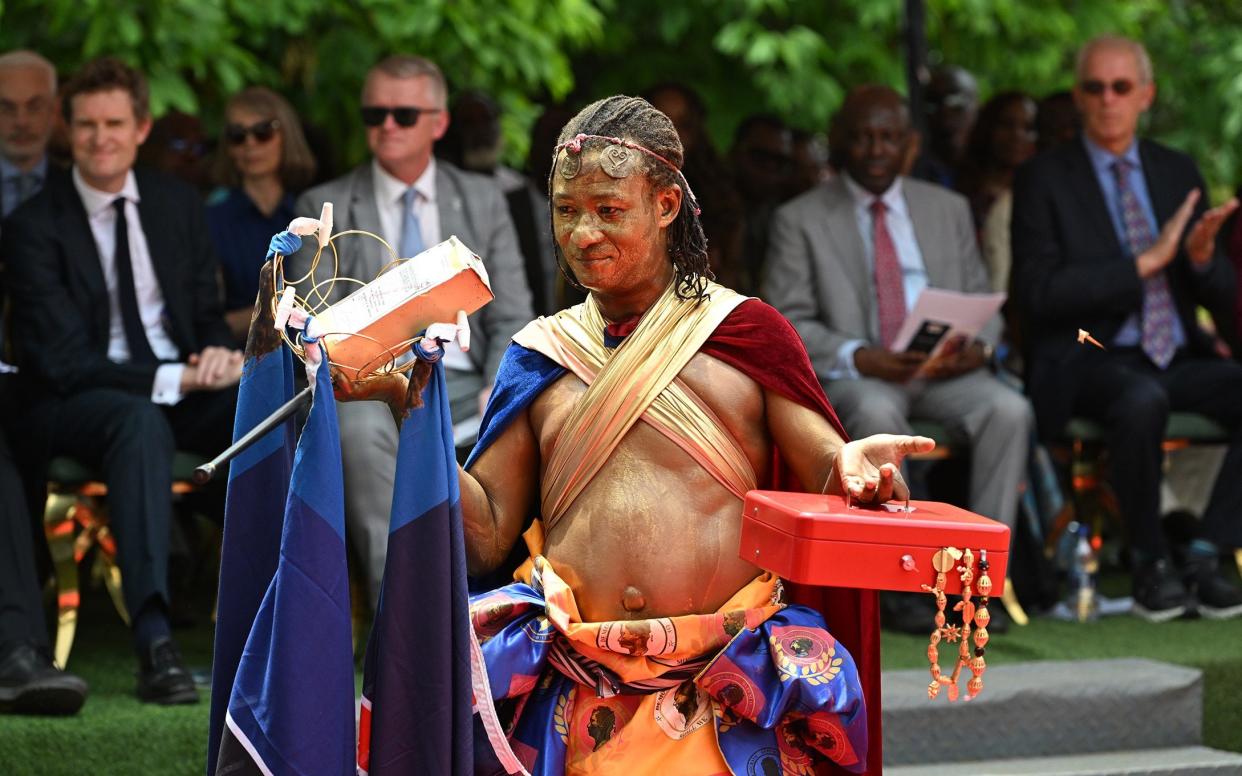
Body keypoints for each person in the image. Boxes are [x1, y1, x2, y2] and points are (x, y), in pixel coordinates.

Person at [453, 95, 933, 775]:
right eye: (567, 211)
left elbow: (828, 468)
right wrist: (411, 419)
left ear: (667, 206)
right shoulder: (539, 355)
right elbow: (487, 535)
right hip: (578, 687)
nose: (584, 233)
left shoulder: (746, 335)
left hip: (720, 691)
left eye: (609, 211)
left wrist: (854, 463)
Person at [2, 57, 241, 703]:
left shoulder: (176, 206)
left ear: (140, 128)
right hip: (75, 401)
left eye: (114, 123)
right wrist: (177, 378)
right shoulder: (31, 227)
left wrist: (221, 355)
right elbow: (61, 361)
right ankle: (156, 644)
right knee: (135, 421)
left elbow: (201, 317)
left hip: (180, 387)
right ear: (66, 130)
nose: (100, 138)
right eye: (86, 125)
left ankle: (277, 614)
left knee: (272, 402)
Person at [764, 85, 1033, 632]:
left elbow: (986, 304)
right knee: (878, 415)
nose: (876, 148)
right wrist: (860, 355)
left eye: (888, 137)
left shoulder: (947, 209)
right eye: (863, 137)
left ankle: (977, 586)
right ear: (841, 143)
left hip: (942, 372)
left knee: (1010, 411)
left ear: (910, 145)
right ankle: (902, 586)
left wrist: (974, 348)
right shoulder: (801, 218)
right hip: (863, 376)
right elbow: (784, 322)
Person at [287, 55, 533, 607]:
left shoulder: (486, 199)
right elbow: (318, 334)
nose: (388, 126)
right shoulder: (321, 205)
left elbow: (515, 311)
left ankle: (504, 612)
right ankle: (401, 618)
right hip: (369, 387)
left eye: (403, 113)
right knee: (354, 431)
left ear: (438, 123)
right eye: (376, 113)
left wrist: (502, 387)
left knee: (537, 417)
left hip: (471, 385)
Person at [1011, 35, 1242, 621]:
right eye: (1095, 87)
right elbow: (1038, 295)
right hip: (1088, 357)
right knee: (1141, 398)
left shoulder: (1176, 169)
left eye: (1121, 87)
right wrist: (1142, 264)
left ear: (1147, 94)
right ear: (1078, 97)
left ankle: (1207, 551)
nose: (1108, 99)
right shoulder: (1044, 177)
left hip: (1173, 350)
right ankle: (1148, 562)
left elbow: (1211, 288)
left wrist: (1197, 261)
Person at [207, 86, 317, 344]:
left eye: (263, 132)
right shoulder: (210, 220)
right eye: (237, 135)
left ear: (286, 136)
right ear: (228, 147)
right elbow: (209, 322)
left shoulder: (310, 209)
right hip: (239, 361)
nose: (250, 144)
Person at [956, 91, 1038, 293]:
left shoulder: (1043, 195)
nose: (1017, 135)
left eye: (1028, 128)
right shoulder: (959, 194)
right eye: (1007, 125)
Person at [0, 50, 57, 221]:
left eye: (34, 107)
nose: (21, 122)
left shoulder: (79, 187)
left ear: (53, 112)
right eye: (7, 108)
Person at [911, 65, 979, 189]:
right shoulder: (912, 168)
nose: (945, 111)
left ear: (977, 105)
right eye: (933, 103)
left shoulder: (994, 170)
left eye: (956, 101)